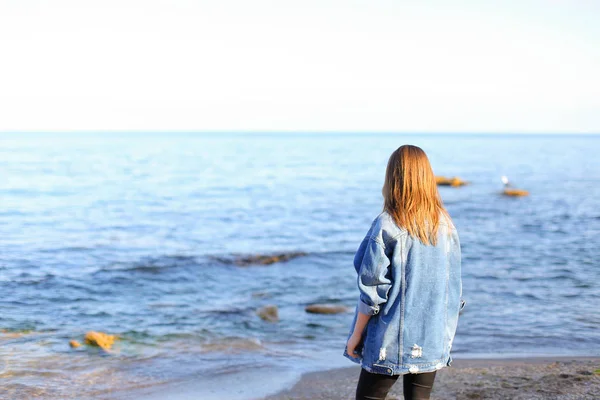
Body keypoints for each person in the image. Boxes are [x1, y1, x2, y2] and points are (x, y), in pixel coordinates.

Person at [343, 145, 465, 400]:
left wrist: (355, 335)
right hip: (431, 337)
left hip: (389, 341)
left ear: (393, 178)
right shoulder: (445, 224)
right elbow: (452, 288)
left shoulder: (387, 224)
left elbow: (373, 290)